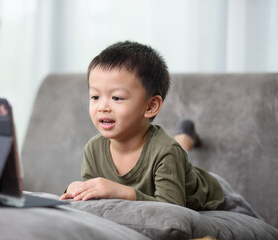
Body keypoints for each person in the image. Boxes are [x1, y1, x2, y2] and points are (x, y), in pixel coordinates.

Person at [60, 41, 224, 210]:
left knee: (177, 150)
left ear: (150, 106)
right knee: (177, 151)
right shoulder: (93, 149)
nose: (102, 107)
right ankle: (184, 135)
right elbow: (93, 199)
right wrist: (76, 189)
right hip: (169, 161)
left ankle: (184, 136)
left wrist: (121, 191)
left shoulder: (167, 151)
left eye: (116, 97)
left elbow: (173, 208)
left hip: (209, 191)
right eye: (95, 97)